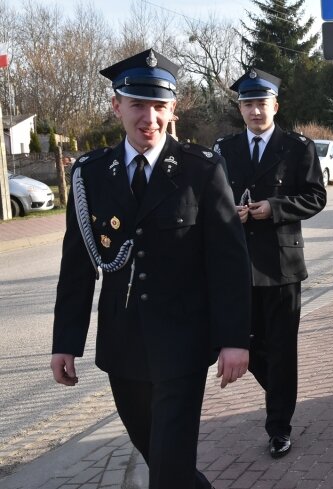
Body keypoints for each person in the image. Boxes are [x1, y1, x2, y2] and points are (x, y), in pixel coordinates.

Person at [51, 48, 251, 489]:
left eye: (159, 106)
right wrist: (65, 342)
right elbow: (77, 265)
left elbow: (229, 262)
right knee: (161, 458)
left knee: (168, 468)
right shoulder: (90, 174)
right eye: (137, 104)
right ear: (116, 105)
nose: (149, 117)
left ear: (173, 108)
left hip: (183, 340)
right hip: (122, 343)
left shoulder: (202, 169)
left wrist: (234, 339)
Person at [213, 68, 326, 459]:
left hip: (281, 266)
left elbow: (315, 198)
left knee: (281, 350)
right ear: (239, 108)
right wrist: (233, 213)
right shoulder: (224, 150)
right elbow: (212, 201)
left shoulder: (298, 147)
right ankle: (281, 392)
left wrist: (273, 208)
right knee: (248, 347)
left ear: (275, 105)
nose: (255, 111)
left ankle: (279, 426)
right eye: (247, 104)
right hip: (238, 264)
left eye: (261, 103)